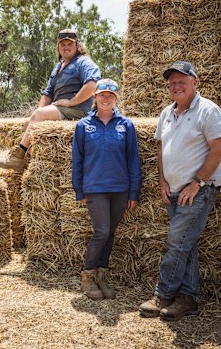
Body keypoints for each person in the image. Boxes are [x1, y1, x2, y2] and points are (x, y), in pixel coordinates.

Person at [139, 61, 221, 321]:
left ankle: (164, 294)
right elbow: (160, 148)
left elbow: (218, 148)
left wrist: (196, 182)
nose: (176, 86)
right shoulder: (167, 112)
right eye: (172, 82)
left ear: (194, 82)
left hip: (198, 190)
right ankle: (188, 299)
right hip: (173, 190)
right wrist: (163, 182)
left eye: (181, 81)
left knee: (176, 243)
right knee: (185, 245)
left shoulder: (208, 111)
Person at [72, 78, 142, 301]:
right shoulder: (83, 126)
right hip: (95, 188)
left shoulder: (126, 125)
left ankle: (102, 276)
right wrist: (79, 191)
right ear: (95, 97)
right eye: (102, 95)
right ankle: (88, 276)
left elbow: (133, 160)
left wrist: (133, 192)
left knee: (110, 233)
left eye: (110, 96)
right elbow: (77, 160)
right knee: (101, 231)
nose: (106, 99)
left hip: (120, 189)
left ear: (115, 99)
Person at [0, 28, 101, 172]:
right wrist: (37, 112)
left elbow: (92, 85)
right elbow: (48, 93)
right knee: (29, 122)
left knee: (38, 116)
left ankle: (17, 157)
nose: (66, 47)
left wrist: (71, 102)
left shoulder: (84, 62)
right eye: (63, 44)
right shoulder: (58, 67)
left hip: (78, 111)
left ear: (77, 45)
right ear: (58, 47)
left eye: (70, 44)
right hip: (62, 109)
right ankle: (33, 162)